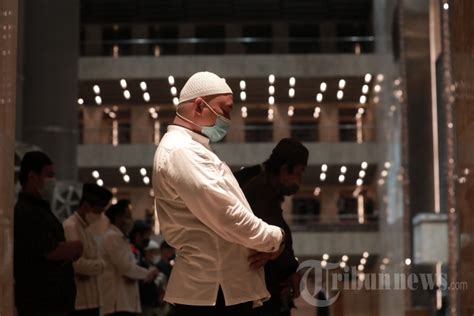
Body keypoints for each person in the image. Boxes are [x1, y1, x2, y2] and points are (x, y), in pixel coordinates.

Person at [152, 71, 286, 316]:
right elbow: (227, 215)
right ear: (200, 105)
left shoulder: (192, 148)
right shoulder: (182, 151)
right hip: (212, 291)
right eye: (225, 109)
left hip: (218, 288)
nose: (228, 118)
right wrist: (275, 238)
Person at [235, 138, 309, 316]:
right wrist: (288, 268)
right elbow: (269, 241)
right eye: (298, 174)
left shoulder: (263, 187)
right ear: (284, 170)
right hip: (259, 295)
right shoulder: (259, 190)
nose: (299, 181)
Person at [14, 151, 84, 316]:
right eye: (49, 175)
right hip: (41, 303)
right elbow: (50, 250)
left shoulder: (40, 208)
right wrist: (77, 246)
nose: (52, 181)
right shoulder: (27, 212)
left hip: (52, 302)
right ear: (32, 176)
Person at [100, 199, 158, 316]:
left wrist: (138, 274)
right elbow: (126, 268)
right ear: (118, 218)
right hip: (117, 302)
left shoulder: (121, 238)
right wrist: (147, 273)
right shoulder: (112, 237)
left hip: (125, 301)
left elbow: (131, 267)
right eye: (128, 216)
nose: (130, 220)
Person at [63, 183, 113, 316]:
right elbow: (77, 264)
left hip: (93, 300)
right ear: (86, 206)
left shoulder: (88, 228)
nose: (101, 216)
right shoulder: (71, 226)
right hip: (79, 302)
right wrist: (100, 266)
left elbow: (101, 260)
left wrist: (95, 267)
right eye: (98, 211)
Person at [139, 240, 169, 316]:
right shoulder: (141, 265)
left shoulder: (155, 266)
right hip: (145, 303)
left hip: (156, 304)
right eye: (153, 252)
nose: (155, 255)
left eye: (156, 252)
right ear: (147, 252)